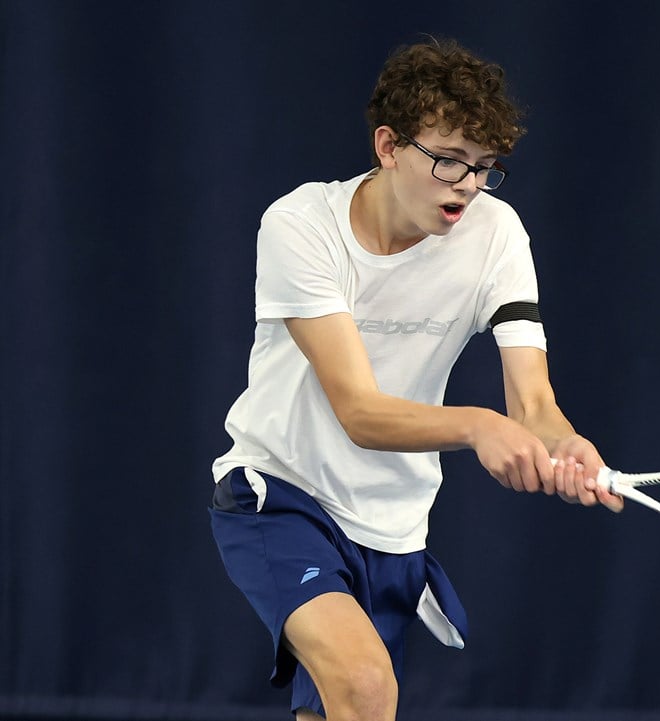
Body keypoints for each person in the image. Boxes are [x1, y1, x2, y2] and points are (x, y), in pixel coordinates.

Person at [209, 37, 622, 721]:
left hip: (395, 526)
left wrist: (563, 441)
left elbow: (533, 401)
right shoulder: (300, 226)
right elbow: (358, 410)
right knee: (368, 686)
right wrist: (477, 425)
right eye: (448, 160)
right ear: (388, 146)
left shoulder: (497, 235)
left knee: (345, 708)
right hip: (281, 494)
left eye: (484, 167)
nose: (467, 183)